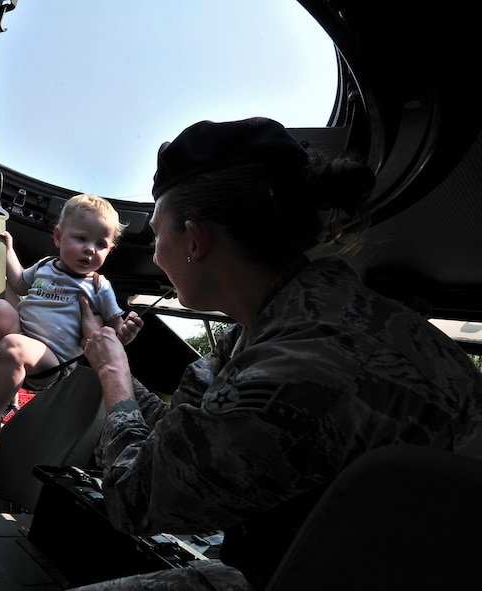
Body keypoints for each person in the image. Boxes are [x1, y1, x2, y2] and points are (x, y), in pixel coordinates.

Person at [73, 117, 482, 590]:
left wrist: (113, 377)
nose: (156, 251)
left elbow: (132, 499)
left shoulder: (303, 365)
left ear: (194, 240)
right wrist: (113, 365)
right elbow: (181, 435)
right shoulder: (285, 322)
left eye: (158, 232)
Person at [0, 193, 143, 455]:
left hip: (51, 360)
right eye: (80, 238)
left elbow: (113, 329)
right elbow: (18, 284)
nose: (90, 248)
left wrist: (124, 333)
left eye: (100, 244)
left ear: (109, 251)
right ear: (58, 237)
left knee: (13, 345)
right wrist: (7, 250)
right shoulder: (46, 265)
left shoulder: (98, 286)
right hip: (23, 334)